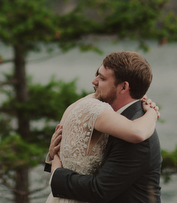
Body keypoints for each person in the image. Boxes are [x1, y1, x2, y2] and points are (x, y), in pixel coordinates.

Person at [47, 51, 162, 203]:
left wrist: (57, 175)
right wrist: (55, 154)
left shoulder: (137, 138)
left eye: (102, 78)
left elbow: (100, 190)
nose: (94, 81)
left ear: (123, 87)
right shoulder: (110, 119)